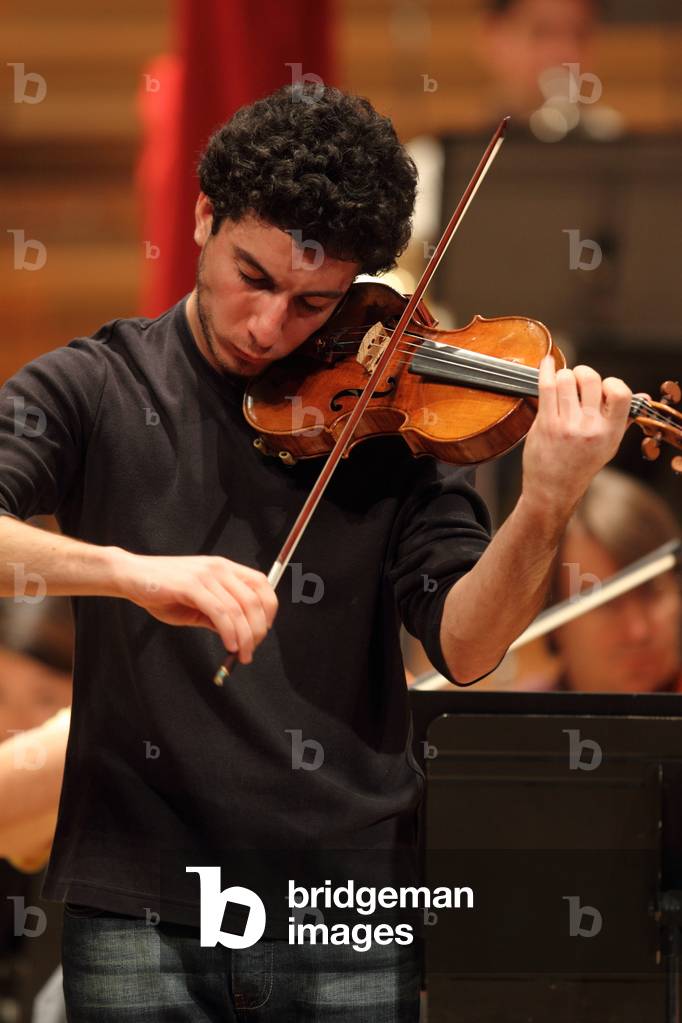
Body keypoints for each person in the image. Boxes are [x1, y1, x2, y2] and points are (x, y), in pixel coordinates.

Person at [0, 83, 634, 1021]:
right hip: (139, 898)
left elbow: (466, 645)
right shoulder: (98, 384)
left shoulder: (397, 415)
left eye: (312, 304)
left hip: (343, 906)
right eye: (253, 278)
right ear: (204, 215)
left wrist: (545, 502)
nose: (269, 328)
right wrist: (135, 573)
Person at [544, 467, 681, 693]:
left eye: (651, 592)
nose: (638, 632)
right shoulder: (514, 725)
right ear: (556, 626)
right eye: (606, 603)